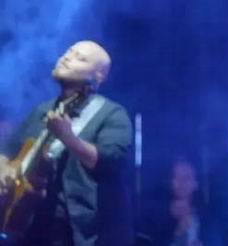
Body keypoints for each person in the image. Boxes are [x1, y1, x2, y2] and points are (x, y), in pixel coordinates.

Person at [0, 40, 133, 245]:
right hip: (33, 230)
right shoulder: (41, 110)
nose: (67, 58)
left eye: (80, 58)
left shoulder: (111, 114)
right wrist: (4, 169)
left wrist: (68, 138)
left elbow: (110, 161)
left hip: (82, 234)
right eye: (67, 53)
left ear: (99, 76)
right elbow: (6, 151)